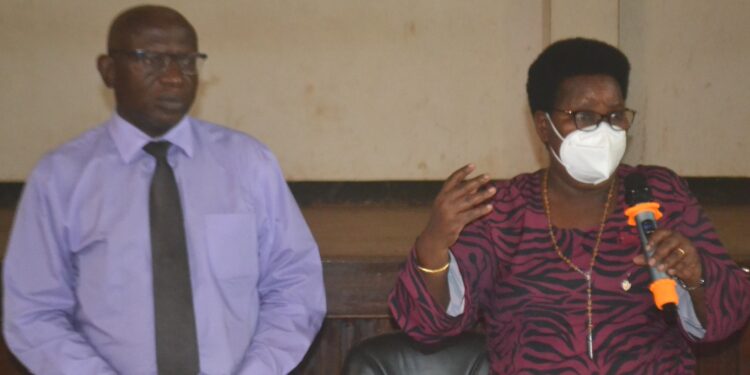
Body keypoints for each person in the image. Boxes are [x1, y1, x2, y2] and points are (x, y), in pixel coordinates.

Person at [389, 37, 750, 373]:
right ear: (544, 126)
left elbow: (728, 316)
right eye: (585, 117)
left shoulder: (659, 193)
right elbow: (426, 327)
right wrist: (434, 244)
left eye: (616, 116)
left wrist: (695, 276)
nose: (606, 131)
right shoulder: (502, 213)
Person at [3, 5, 326, 374]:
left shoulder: (249, 164)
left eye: (187, 61)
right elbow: (33, 312)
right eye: (151, 59)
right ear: (108, 70)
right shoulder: (61, 178)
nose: (174, 77)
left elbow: (295, 285)